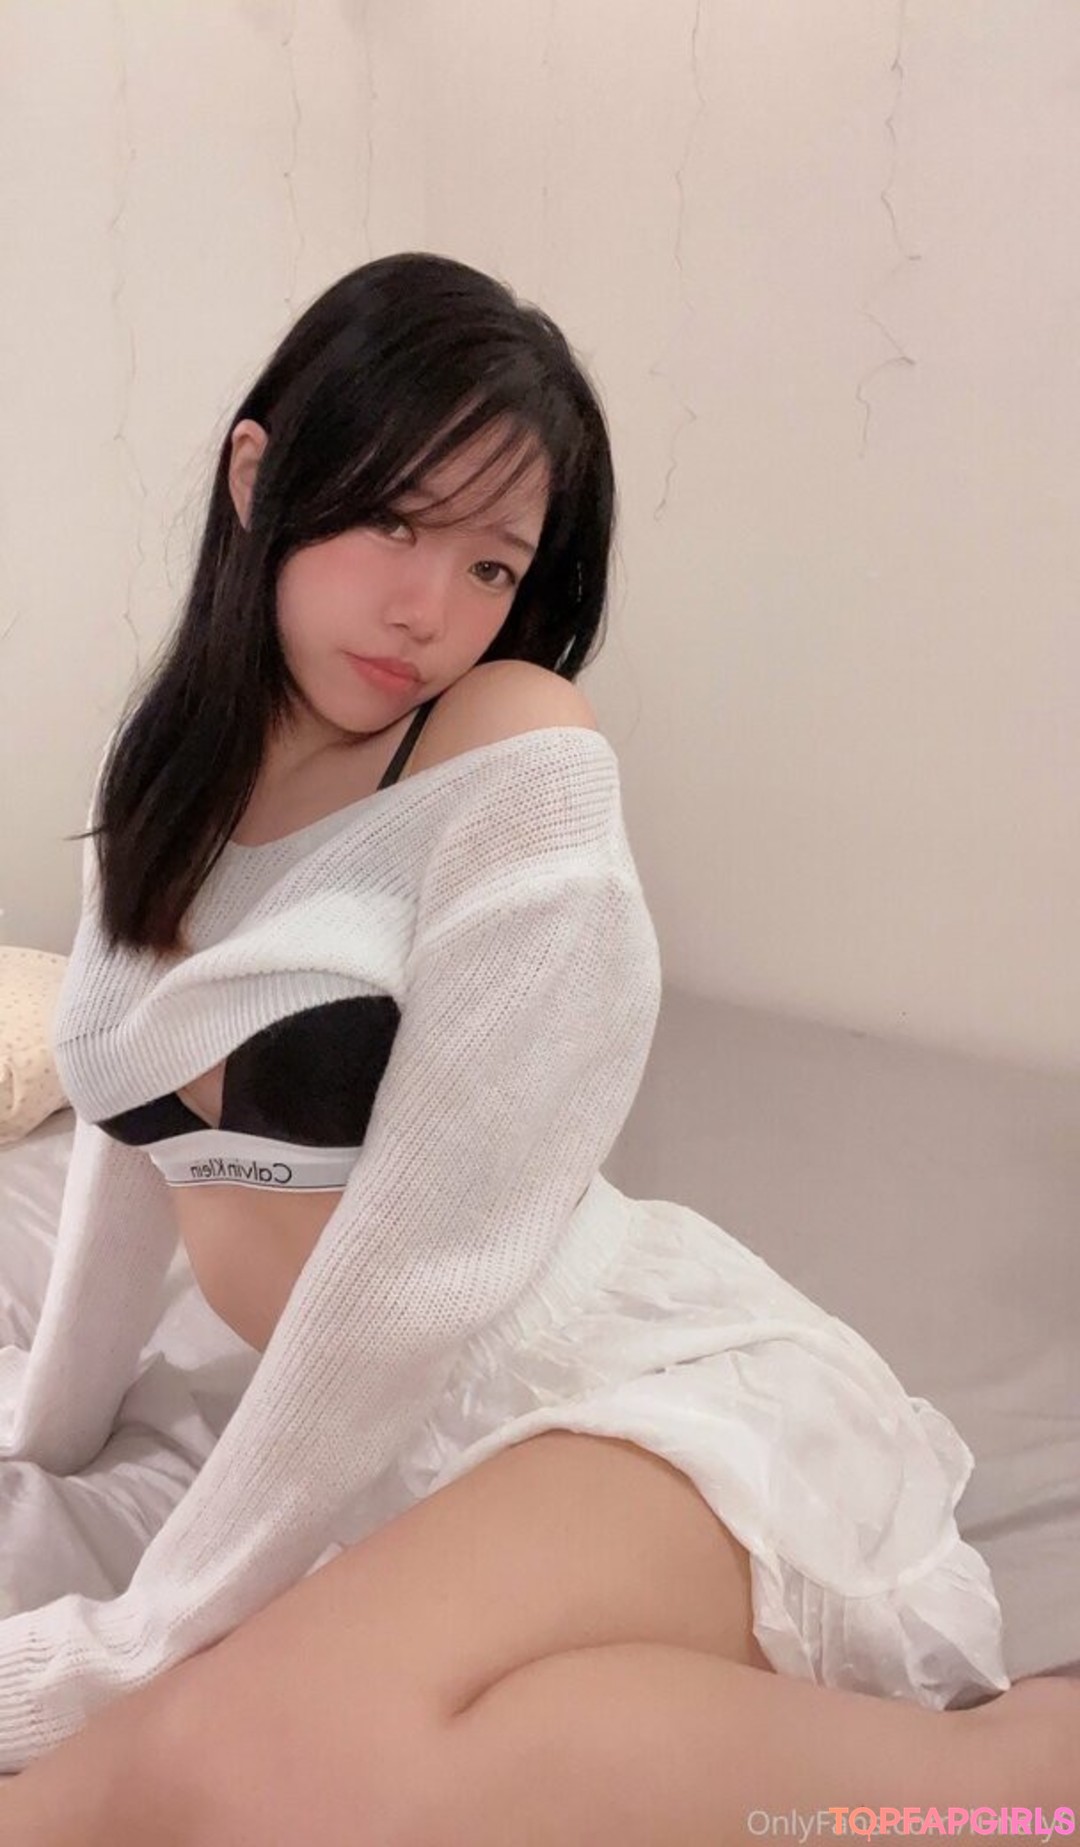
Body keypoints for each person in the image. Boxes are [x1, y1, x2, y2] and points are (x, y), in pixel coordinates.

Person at [0, 251, 1075, 1843]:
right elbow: (121, 1126)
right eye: (394, 520)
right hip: (392, 1456)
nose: (430, 609)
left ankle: (1030, 1768)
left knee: (243, 1757)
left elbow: (411, 1285)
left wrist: (137, 1641)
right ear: (258, 478)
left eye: (493, 564)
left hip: (608, 1388)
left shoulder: (513, 754)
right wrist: (48, 1444)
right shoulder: (164, 778)